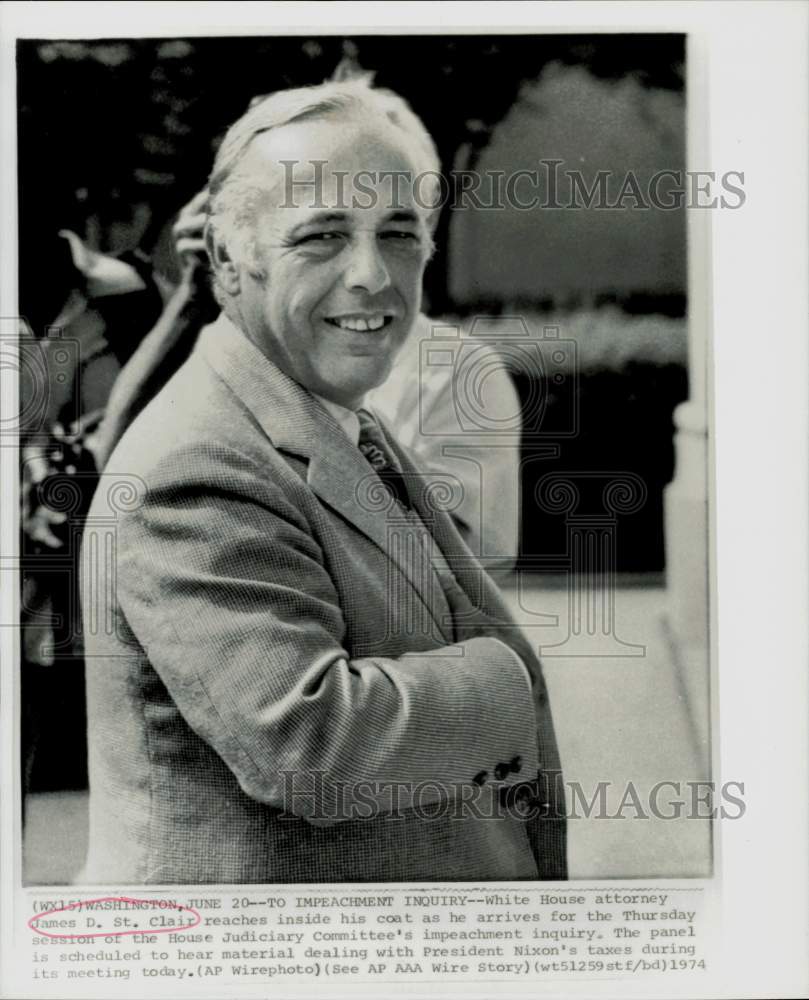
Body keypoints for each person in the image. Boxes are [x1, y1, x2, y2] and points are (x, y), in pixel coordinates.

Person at [81, 78, 566, 884]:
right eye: (322, 236)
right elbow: (316, 748)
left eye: (399, 233)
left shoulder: (322, 411)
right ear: (230, 260)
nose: (372, 275)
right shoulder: (198, 465)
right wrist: (508, 676)